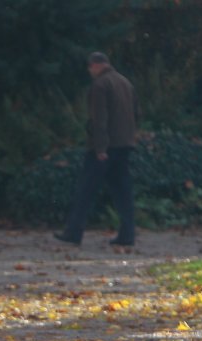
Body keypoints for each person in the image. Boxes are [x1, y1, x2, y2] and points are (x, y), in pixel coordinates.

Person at [55, 52, 139, 247]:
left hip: (104, 147)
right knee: (123, 191)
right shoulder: (126, 83)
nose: (89, 71)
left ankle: (73, 232)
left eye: (90, 68)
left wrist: (100, 148)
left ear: (95, 65)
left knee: (86, 190)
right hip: (125, 144)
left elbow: (99, 119)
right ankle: (128, 234)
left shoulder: (100, 85)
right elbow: (137, 113)